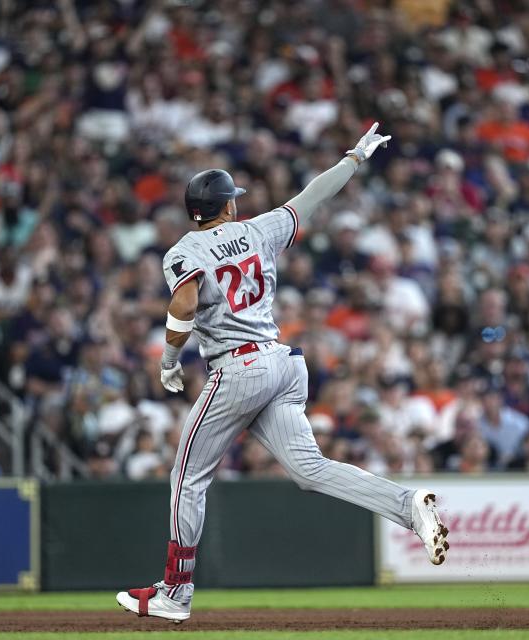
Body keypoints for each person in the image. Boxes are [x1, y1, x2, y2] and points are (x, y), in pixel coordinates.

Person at [116, 124, 449, 622]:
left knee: (187, 478)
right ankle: (407, 506)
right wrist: (354, 158)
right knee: (309, 470)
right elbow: (312, 196)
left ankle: (175, 593)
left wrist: (167, 360)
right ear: (227, 206)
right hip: (283, 363)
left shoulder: (183, 251)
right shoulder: (257, 229)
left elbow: (184, 299)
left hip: (239, 366)